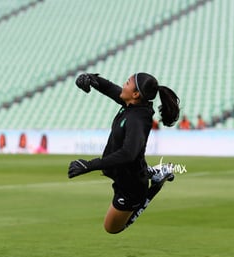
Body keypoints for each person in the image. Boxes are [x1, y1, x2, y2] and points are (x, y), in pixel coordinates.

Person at [68, 73, 180, 234]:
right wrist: (91, 79)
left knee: (112, 228)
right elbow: (109, 88)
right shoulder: (132, 104)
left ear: (135, 94)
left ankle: (156, 184)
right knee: (134, 166)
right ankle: (151, 171)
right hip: (125, 173)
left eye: (127, 83)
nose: (123, 85)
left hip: (131, 186)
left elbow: (128, 154)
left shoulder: (137, 120)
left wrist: (90, 165)